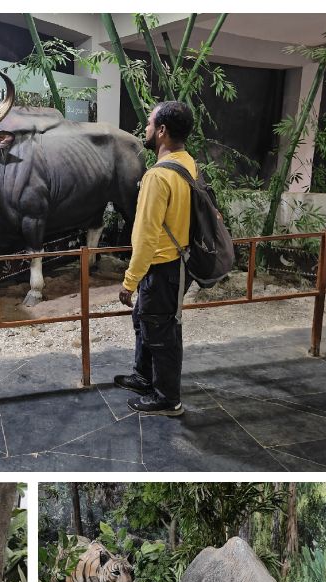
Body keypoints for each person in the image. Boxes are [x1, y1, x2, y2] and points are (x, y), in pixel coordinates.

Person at [115, 101, 197, 416]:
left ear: (161, 131)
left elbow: (146, 237)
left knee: (162, 333)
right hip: (175, 263)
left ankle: (167, 399)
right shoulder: (187, 162)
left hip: (162, 267)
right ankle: (143, 376)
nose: (145, 129)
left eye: (149, 124)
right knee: (146, 321)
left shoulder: (157, 177)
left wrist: (129, 282)